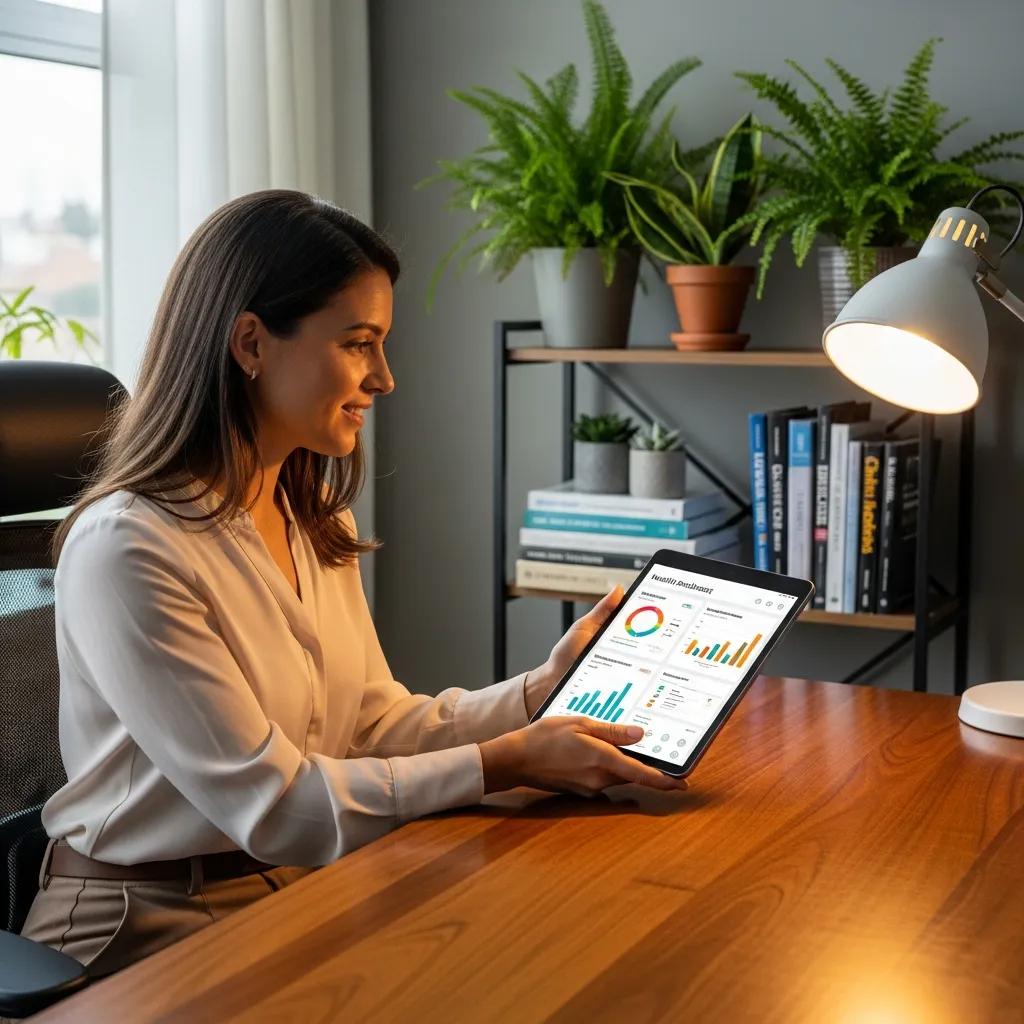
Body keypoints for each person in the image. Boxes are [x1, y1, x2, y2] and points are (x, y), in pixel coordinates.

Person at [20, 190, 686, 978]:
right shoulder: (128, 546)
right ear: (250, 343)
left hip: (292, 887)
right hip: (138, 926)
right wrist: (506, 762)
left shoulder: (304, 514)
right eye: (360, 343)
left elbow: (372, 724)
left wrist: (537, 694)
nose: (385, 379)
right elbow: (273, 805)